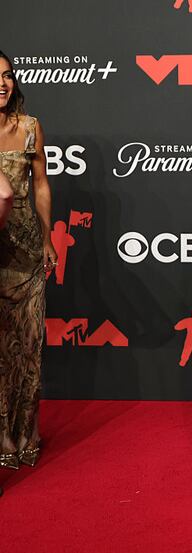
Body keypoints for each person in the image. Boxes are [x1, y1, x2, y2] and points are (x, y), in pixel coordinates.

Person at [0, 50, 57, 472]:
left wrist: (48, 236)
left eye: (6, 76)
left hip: (28, 244)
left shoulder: (31, 127)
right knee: (2, 346)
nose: (2, 84)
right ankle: (3, 435)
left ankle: (27, 431)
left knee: (29, 344)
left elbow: (40, 186)